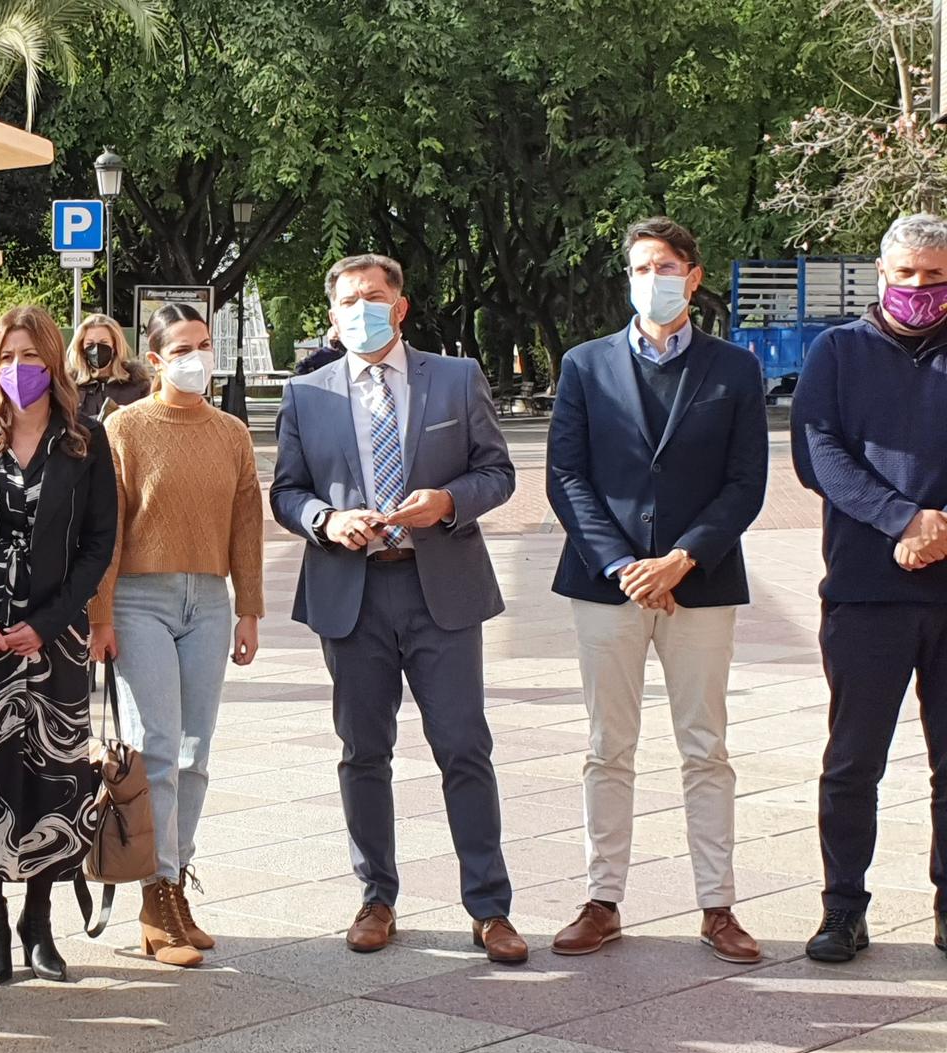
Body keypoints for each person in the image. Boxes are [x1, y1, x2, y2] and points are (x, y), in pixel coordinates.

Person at [269, 254, 524, 963]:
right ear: (331, 313)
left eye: (374, 296)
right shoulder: (306, 393)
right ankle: (376, 895)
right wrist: (325, 519)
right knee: (363, 751)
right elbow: (286, 490)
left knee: (464, 746)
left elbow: (497, 472)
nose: (362, 309)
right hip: (352, 592)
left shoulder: (456, 377)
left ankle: (489, 906)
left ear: (400, 305)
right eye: (348, 300)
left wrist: (448, 502)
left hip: (439, 586)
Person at [546, 217, 769, 964]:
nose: (654, 278)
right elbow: (567, 478)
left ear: (695, 275)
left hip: (698, 585)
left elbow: (745, 485)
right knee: (609, 746)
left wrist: (680, 559)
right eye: (641, 266)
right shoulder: (583, 364)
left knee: (705, 747)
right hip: (606, 586)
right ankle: (602, 898)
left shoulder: (734, 368)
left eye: (667, 265)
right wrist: (623, 566)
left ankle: (718, 904)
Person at [0, 305, 117, 984]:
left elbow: (99, 546)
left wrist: (52, 620)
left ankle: (38, 920)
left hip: (51, 640)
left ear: (54, 362)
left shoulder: (86, 441)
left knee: (50, 779)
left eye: (32, 358)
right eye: (7, 357)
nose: (19, 371)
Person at [87, 303, 265, 968]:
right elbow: (106, 529)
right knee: (156, 745)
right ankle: (154, 893)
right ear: (154, 360)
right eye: (182, 348)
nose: (197, 357)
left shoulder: (231, 432)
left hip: (209, 600)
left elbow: (247, 521)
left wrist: (248, 606)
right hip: (140, 599)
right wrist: (99, 616)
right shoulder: (123, 428)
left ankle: (177, 880)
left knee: (196, 750)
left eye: (204, 345)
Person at [792, 212, 947, 963]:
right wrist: (903, 520)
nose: (920, 287)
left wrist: (940, 526)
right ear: (881, 273)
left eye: (935, 274)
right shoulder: (837, 352)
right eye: (907, 273)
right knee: (854, 761)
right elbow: (819, 452)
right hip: (864, 593)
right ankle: (842, 908)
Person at [70, 314, 151, 418]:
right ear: (82, 348)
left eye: (104, 342)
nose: (96, 349)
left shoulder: (136, 382)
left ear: (115, 346)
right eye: (90, 344)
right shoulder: (70, 385)